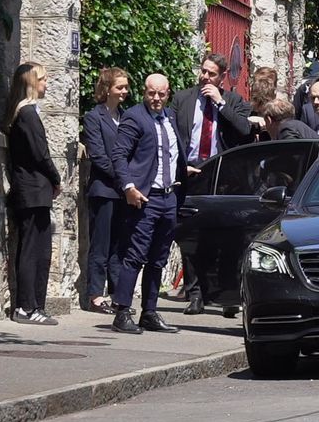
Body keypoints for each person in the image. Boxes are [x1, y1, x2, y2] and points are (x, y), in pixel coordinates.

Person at [170, 53, 252, 315]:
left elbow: (244, 130)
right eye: (203, 71)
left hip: (223, 178)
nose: (205, 77)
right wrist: (181, 167)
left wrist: (220, 104)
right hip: (191, 174)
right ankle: (196, 294)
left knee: (226, 240)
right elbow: (171, 135)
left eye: (211, 74)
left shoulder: (235, 101)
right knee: (192, 239)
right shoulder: (183, 99)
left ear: (222, 77)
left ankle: (227, 296)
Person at [110, 74, 188, 334]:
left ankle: (150, 312)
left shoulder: (170, 117)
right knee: (136, 255)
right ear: (144, 92)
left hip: (169, 196)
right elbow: (119, 154)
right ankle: (122, 312)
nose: (156, 99)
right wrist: (129, 187)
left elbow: (170, 153)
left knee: (159, 258)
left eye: (161, 94)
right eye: (151, 93)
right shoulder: (135, 117)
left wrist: (185, 171)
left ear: (168, 94)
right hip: (146, 197)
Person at [4, 62, 61, 325]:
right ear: (31, 83)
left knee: (39, 250)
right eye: (43, 79)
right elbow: (40, 153)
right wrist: (56, 178)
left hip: (34, 190)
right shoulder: (27, 113)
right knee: (32, 250)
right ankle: (27, 307)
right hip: (33, 189)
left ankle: (34, 305)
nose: (46, 84)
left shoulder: (26, 112)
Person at [82, 67, 130, 315]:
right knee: (100, 245)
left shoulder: (125, 117)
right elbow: (99, 155)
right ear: (107, 88)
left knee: (118, 247)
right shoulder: (94, 117)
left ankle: (117, 295)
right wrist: (124, 177)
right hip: (104, 189)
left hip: (122, 191)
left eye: (125, 87)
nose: (123, 92)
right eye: (119, 87)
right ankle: (95, 296)